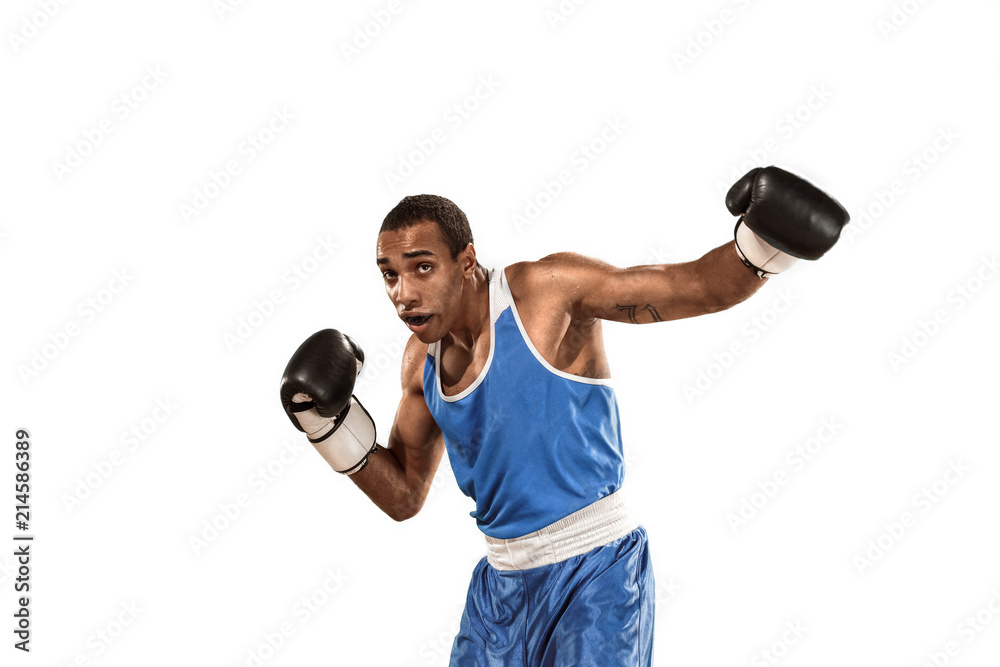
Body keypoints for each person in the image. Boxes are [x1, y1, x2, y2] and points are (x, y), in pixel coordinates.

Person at [279, 166, 849, 665]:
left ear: (466, 261)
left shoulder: (545, 293)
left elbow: (696, 287)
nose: (403, 293)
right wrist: (328, 431)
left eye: (422, 267)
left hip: (596, 574)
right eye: (389, 274)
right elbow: (404, 495)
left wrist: (759, 246)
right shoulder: (418, 363)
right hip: (499, 592)